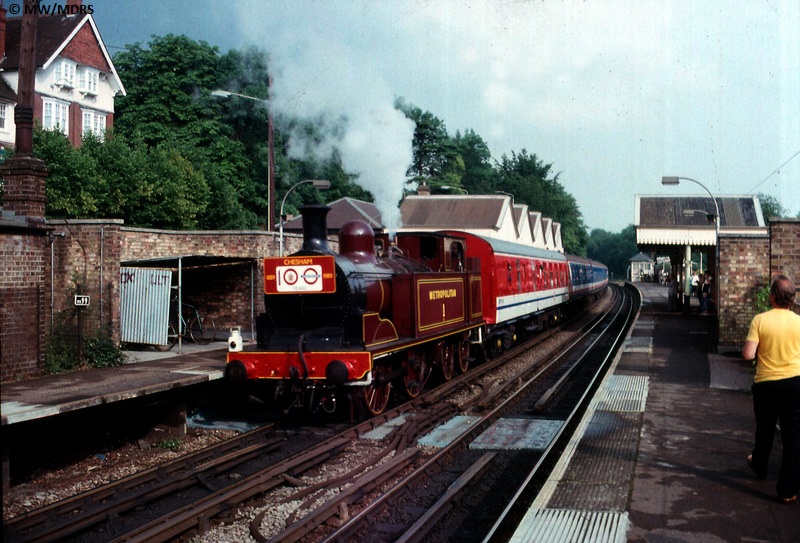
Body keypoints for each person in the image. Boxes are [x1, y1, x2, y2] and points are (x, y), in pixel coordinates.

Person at [742, 274, 800, 504]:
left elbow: (748, 354)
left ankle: (759, 465)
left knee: (765, 429)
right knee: (793, 435)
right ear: (792, 299)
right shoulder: (799, 321)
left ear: (772, 296)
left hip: (766, 384)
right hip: (795, 383)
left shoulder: (760, 320)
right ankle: (788, 490)